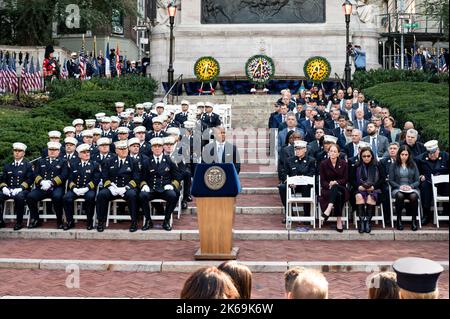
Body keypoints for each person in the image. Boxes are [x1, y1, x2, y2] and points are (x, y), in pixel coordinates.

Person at [95, 140, 140, 232]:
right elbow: (104, 177)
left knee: (133, 195)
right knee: (101, 195)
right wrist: (111, 187)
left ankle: (134, 222)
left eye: (125, 149)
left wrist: (126, 188)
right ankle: (100, 221)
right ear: (116, 151)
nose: (123, 151)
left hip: (126, 188)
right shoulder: (109, 161)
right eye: (121, 149)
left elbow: (136, 178)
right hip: (113, 188)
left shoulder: (134, 161)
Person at [139, 137, 182, 232]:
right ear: (152, 149)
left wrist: (172, 185)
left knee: (173, 195)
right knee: (142, 195)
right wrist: (144, 185)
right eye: (155, 146)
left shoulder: (170, 160)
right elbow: (142, 178)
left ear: (163, 148)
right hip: (152, 189)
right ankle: (148, 220)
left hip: (165, 189)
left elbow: (177, 177)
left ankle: (166, 220)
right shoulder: (146, 162)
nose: (157, 148)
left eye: (159, 146)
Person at [27, 142, 68, 229]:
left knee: (57, 197)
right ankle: (35, 219)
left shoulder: (63, 162)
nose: (52, 152)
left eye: (54, 150)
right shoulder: (40, 161)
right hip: (42, 187)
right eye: (50, 150)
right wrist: (42, 182)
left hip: (56, 187)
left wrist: (51, 182)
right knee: (30, 196)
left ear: (58, 151)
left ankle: (59, 220)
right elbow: (35, 174)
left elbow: (64, 175)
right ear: (48, 151)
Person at [63, 144, 101, 231]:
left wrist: (87, 188)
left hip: (88, 189)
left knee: (90, 197)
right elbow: (70, 179)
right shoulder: (74, 165)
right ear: (79, 154)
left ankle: (89, 221)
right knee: (66, 198)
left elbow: (96, 179)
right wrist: (74, 188)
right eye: (84, 152)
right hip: (76, 189)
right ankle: (70, 221)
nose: (87, 154)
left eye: (88, 152)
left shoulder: (95, 165)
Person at [278, 140, 316, 224]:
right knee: (282, 187)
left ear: (305, 150)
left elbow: (312, 173)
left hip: (305, 184)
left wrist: (303, 180)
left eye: (300, 149)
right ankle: (289, 213)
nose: (298, 151)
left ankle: (307, 215)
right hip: (292, 185)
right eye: (296, 149)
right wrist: (289, 182)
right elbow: (284, 173)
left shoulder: (311, 160)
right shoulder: (289, 160)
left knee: (308, 188)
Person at [0, 143, 34, 230]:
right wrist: (4, 188)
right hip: (9, 189)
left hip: (23, 189)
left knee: (19, 197)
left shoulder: (28, 165)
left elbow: (30, 179)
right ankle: (0, 221)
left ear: (24, 153)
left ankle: (19, 222)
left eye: (19, 151)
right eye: (15, 151)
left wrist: (20, 188)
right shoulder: (8, 165)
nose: (17, 153)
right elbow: (3, 179)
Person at [416, 140, 449, 225]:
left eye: (434, 153)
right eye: (430, 153)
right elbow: (416, 172)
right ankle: (426, 215)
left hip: (443, 184)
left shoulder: (446, 156)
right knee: (424, 187)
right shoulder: (420, 158)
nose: (432, 155)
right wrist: (420, 176)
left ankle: (446, 212)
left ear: (438, 149)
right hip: (428, 182)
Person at [353, 147, 386, 233]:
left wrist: (374, 187)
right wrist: (358, 187)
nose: (366, 158)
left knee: (371, 197)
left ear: (372, 156)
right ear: (361, 156)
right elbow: (351, 179)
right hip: (360, 189)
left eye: (368, 156)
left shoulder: (378, 165)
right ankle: (361, 222)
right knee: (359, 196)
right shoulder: (356, 165)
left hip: (374, 189)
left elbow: (382, 178)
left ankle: (367, 222)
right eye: (364, 156)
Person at [389, 145, 421, 231]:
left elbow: (417, 180)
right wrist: (400, 186)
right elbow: (391, 181)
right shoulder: (393, 165)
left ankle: (414, 221)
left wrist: (411, 186)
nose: (404, 156)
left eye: (406, 155)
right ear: (399, 154)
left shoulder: (413, 164)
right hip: (398, 189)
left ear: (409, 155)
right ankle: (399, 220)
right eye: (402, 154)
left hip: (411, 188)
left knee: (414, 196)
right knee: (399, 196)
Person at [319, 143, 349, 232]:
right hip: (328, 189)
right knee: (338, 195)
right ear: (328, 153)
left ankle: (328, 209)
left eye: (334, 151)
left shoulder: (344, 164)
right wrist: (330, 184)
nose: (332, 153)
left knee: (337, 188)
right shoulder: (323, 164)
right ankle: (338, 221)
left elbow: (346, 179)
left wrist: (336, 182)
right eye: (331, 151)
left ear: (338, 154)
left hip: (342, 188)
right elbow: (322, 181)